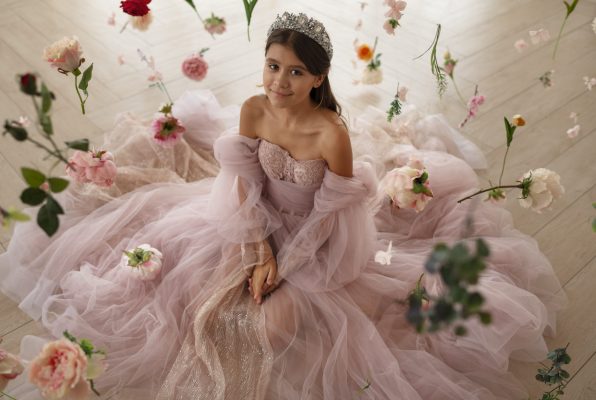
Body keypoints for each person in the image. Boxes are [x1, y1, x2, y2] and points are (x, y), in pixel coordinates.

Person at [0, 11, 565, 400]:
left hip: (318, 241)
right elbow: (243, 184)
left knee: (272, 328)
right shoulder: (254, 110)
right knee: (184, 291)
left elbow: (328, 217)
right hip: (251, 220)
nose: (281, 81)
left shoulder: (331, 135)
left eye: (297, 71)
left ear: (319, 78)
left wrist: (285, 264)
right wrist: (255, 250)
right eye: (274, 65)